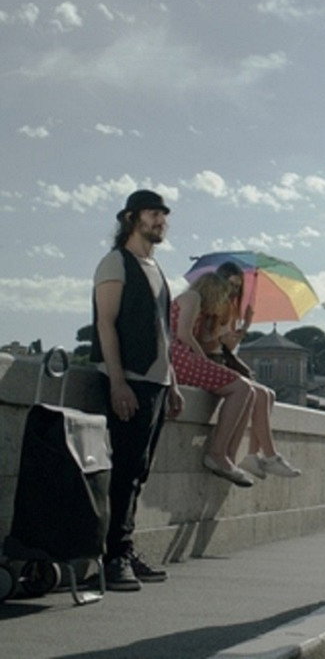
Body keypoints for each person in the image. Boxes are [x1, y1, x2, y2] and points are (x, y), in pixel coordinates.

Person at [90, 189, 184, 591]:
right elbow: (105, 323)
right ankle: (114, 558)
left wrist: (172, 381)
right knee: (125, 471)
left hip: (156, 383)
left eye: (164, 214)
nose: (161, 220)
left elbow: (162, 332)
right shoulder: (115, 262)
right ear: (131, 218)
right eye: (152, 213)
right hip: (130, 380)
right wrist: (117, 382)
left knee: (138, 472)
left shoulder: (156, 268)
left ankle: (124, 550)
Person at [212, 262, 301, 479]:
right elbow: (212, 345)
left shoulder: (232, 310)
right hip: (210, 364)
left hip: (222, 363)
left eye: (238, 286)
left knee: (269, 394)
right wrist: (225, 336)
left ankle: (253, 455)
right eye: (231, 284)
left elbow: (228, 348)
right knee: (259, 393)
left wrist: (244, 326)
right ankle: (270, 456)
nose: (234, 290)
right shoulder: (213, 306)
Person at [170, 273, 258, 487]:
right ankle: (218, 454)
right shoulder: (193, 298)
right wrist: (202, 358)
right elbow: (183, 334)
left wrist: (244, 324)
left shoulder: (191, 301)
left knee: (248, 391)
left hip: (175, 357)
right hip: (178, 357)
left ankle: (227, 456)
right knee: (242, 388)